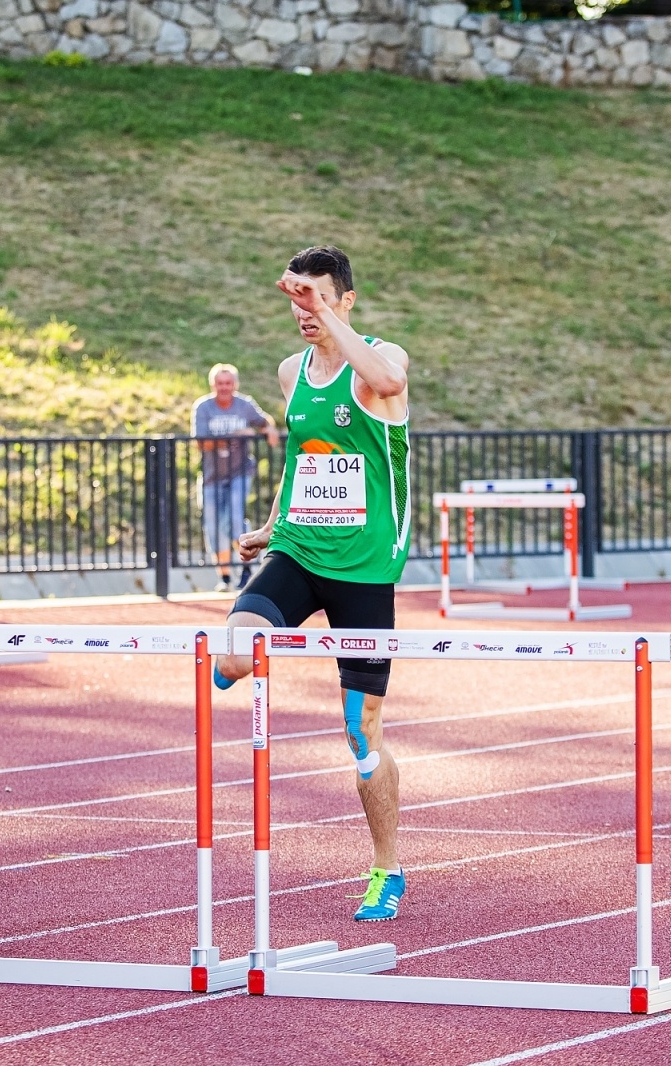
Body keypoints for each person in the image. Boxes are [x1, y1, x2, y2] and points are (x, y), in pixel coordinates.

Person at [212, 245, 413, 922]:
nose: (304, 313)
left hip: (365, 567)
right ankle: (243, 648)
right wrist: (273, 526)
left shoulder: (382, 361)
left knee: (361, 733)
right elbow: (303, 455)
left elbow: (385, 381)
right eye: (297, 300)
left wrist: (333, 319)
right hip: (300, 547)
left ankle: (386, 867)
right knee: (233, 652)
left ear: (345, 301)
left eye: (318, 299)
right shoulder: (290, 372)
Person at [192, 364, 280, 592]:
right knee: (213, 526)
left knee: (233, 519)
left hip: (240, 472)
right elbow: (202, 443)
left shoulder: (244, 405)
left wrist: (269, 429)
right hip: (212, 476)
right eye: (220, 383)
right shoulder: (203, 407)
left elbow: (263, 422)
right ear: (213, 385)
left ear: (235, 385)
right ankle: (225, 576)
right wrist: (237, 435)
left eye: (228, 383)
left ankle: (247, 569)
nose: (224, 388)